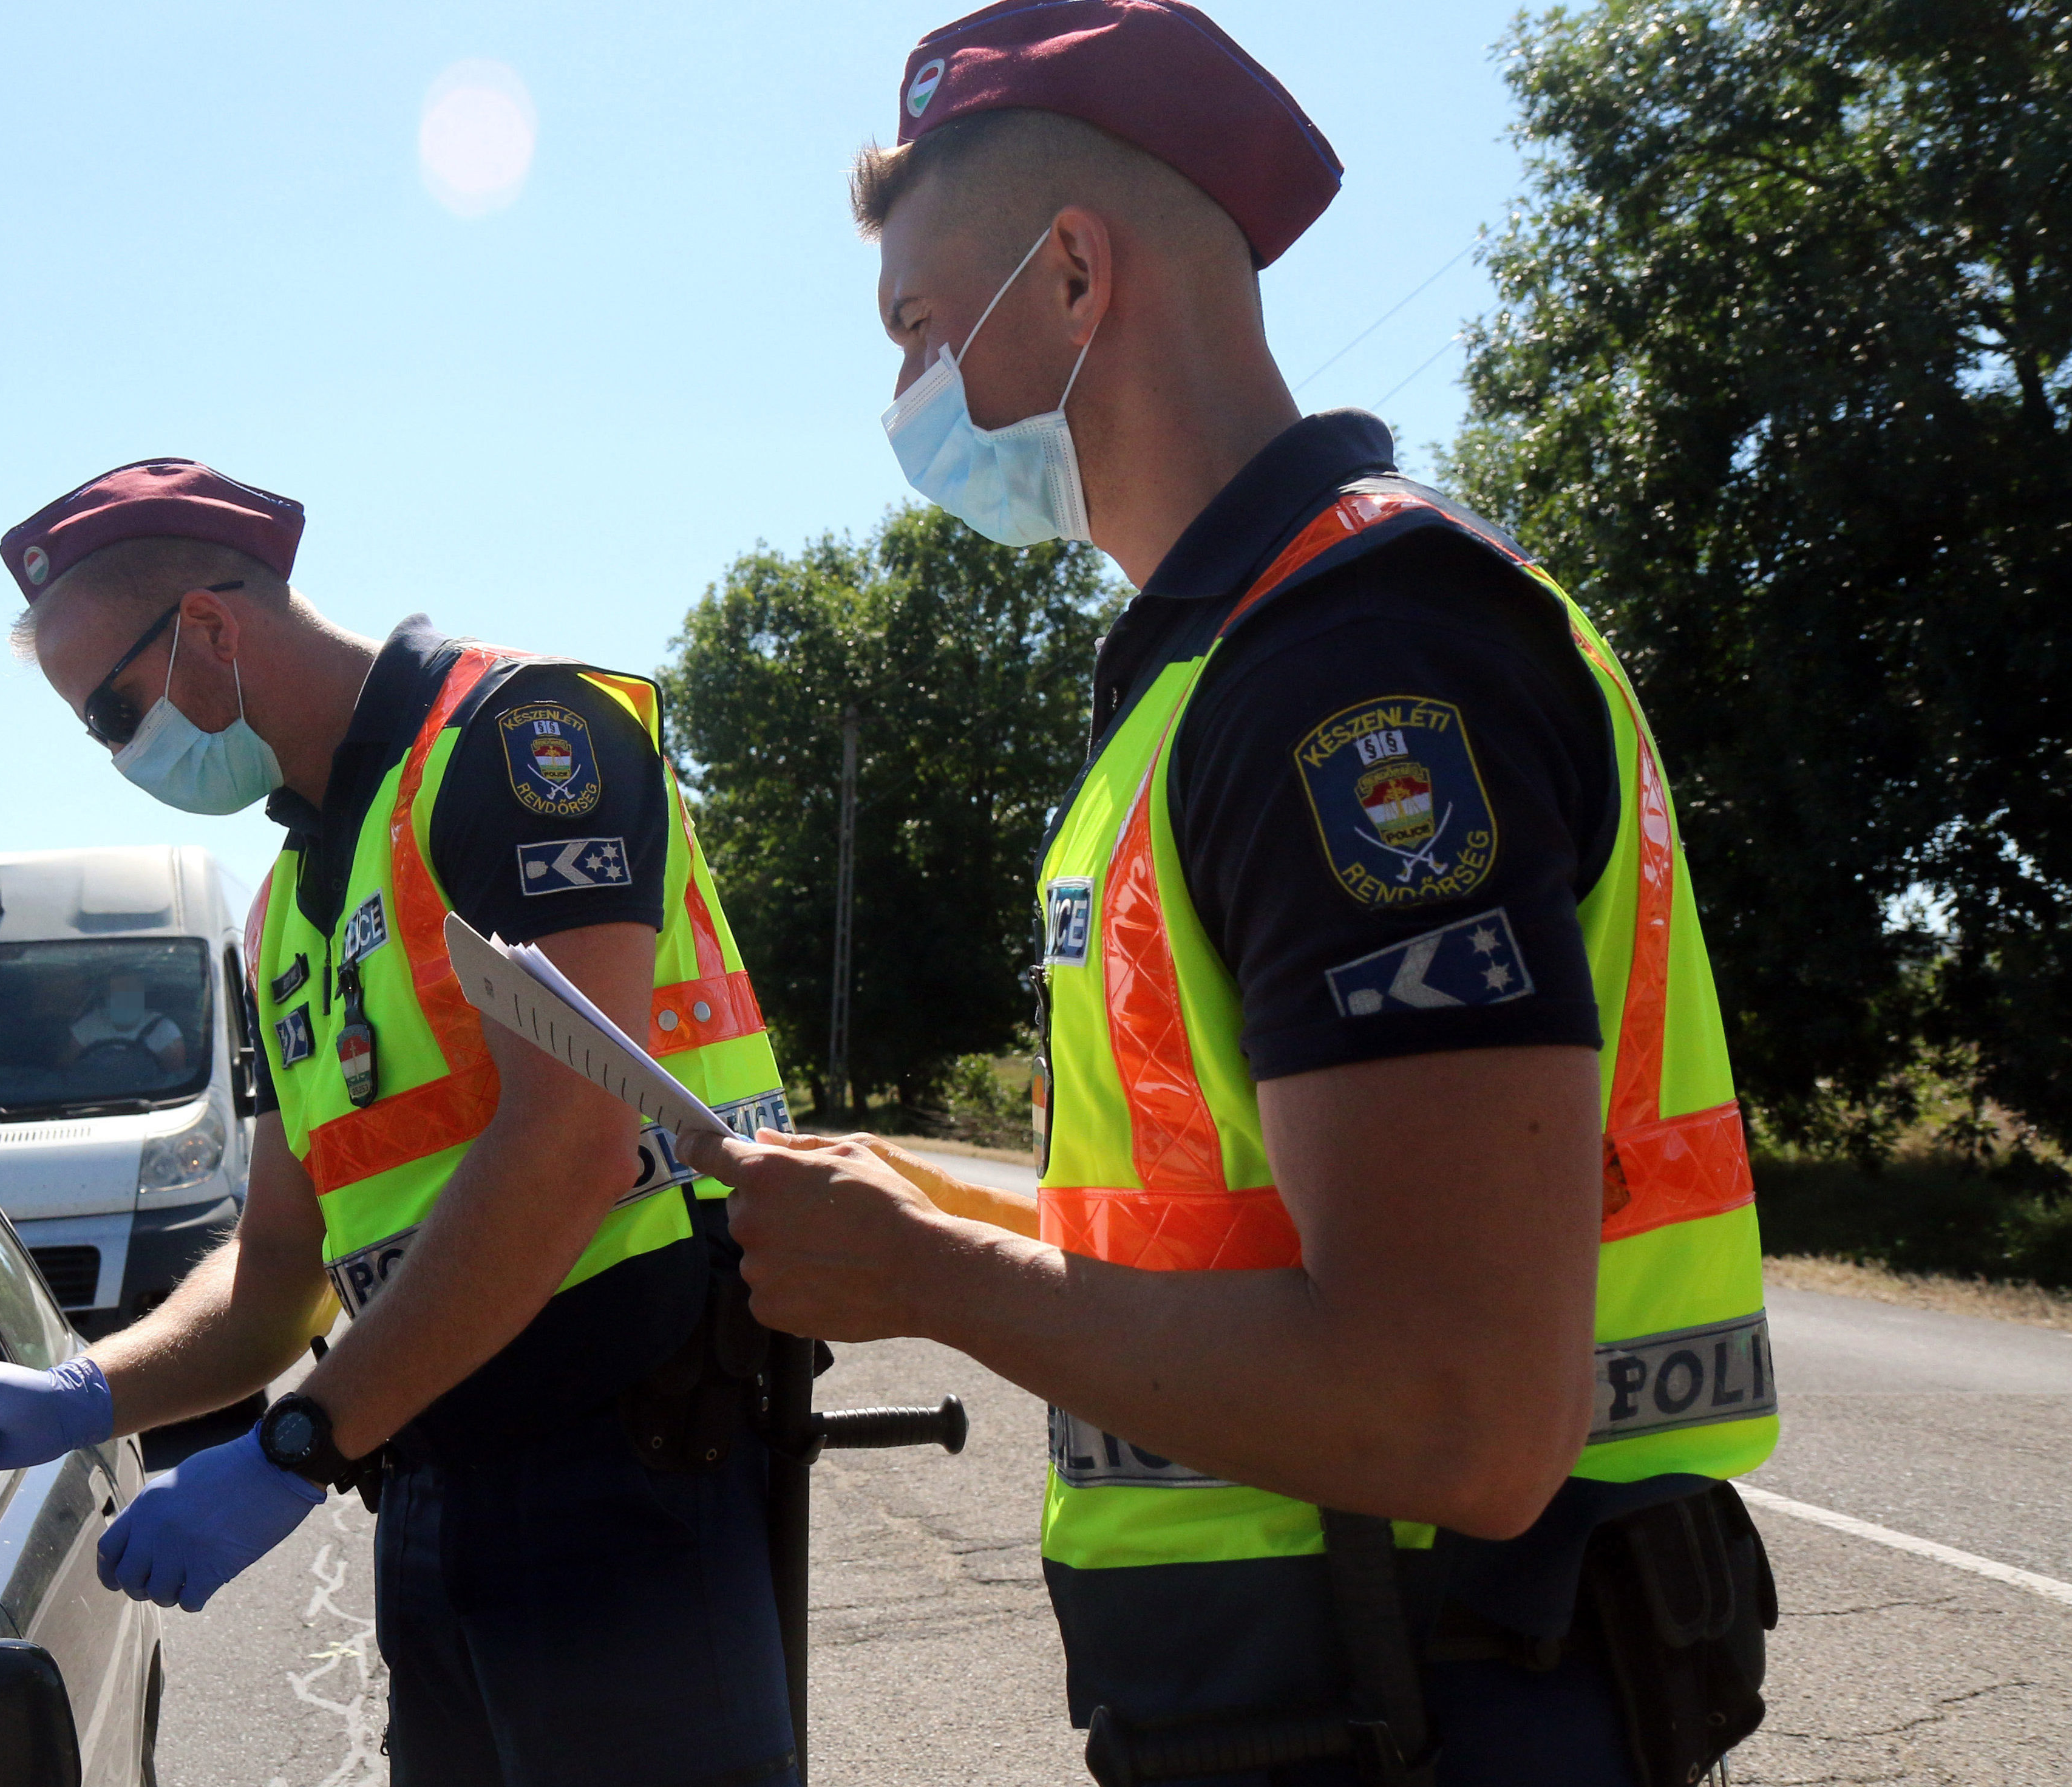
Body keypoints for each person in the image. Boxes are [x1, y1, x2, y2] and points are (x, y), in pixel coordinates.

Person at [688, 6, 1779, 1785]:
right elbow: (1223, 1223)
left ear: (1067, 279)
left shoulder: (1347, 664)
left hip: (1424, 1697)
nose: (902, 401)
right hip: (1325, 1693)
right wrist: (913, 1201)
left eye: (914, 332)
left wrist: (931, 1276)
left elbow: (1455, 1406)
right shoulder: (1214, 671)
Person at [0, 458, 801, 1787]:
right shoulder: (285, 908)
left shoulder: (516, 739)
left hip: (633, 1464)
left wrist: (296, 1443)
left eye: (110, 713)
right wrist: (80, 1391)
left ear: (206, 627)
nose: (120, 753)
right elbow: (273, 1280)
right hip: (437, 1475)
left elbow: (568, 1143)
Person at [66, 968, 187, 1074]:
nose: (123, 996)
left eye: (130, 990)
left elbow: (175, 1079)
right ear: (105, 995)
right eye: (116, 991)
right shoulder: (90, 1024)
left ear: (142, 993)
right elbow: (65, 1070)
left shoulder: (163, 1029)